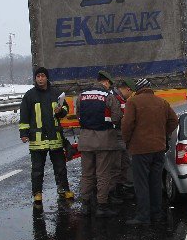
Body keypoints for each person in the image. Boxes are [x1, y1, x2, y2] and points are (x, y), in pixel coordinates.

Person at [121, 78, 178, 225]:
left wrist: (127, 141)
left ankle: (143, 216)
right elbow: (174, 121)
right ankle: (156, 213)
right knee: (155, 181)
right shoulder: (162, 102)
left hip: (140, 150)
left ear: (138, 90)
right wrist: (163, 133)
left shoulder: (132, 102)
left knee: (141, 183)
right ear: (150, 88)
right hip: (158, 148)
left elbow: (127, 125)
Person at [19, 66, 73, 205]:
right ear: (35, 78)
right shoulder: (29, 96)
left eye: (43, 76)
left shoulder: (56, 93)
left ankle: (64, 189)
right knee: (37, 169)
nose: (40, 78)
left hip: (55, 138)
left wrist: (60, 111)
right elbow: (24, 116)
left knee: (60, 167)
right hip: (37, 140)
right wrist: (23, 133)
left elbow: (65, 110)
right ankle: (37, 193)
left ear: (46, 77)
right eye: (38, 76)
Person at [76, 70, 123, 217]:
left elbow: (78, 114)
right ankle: (101, 206)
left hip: (85, 140)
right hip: (104, 141)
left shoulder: (81, 96)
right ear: (106, 82)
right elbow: (116, 117)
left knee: (87, 173)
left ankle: (85, 204)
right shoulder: (108, 97)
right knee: (103, 174)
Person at [112, 78, 137, 200]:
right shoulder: (115, 98)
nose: (131, 95)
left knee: (124, 163)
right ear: (127, 89)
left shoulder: (120, 98)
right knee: (118, 164)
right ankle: (117, 190)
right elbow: (117, 119)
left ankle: (122, 187)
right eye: (131, 92)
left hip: (120, 136)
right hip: (117, 136)